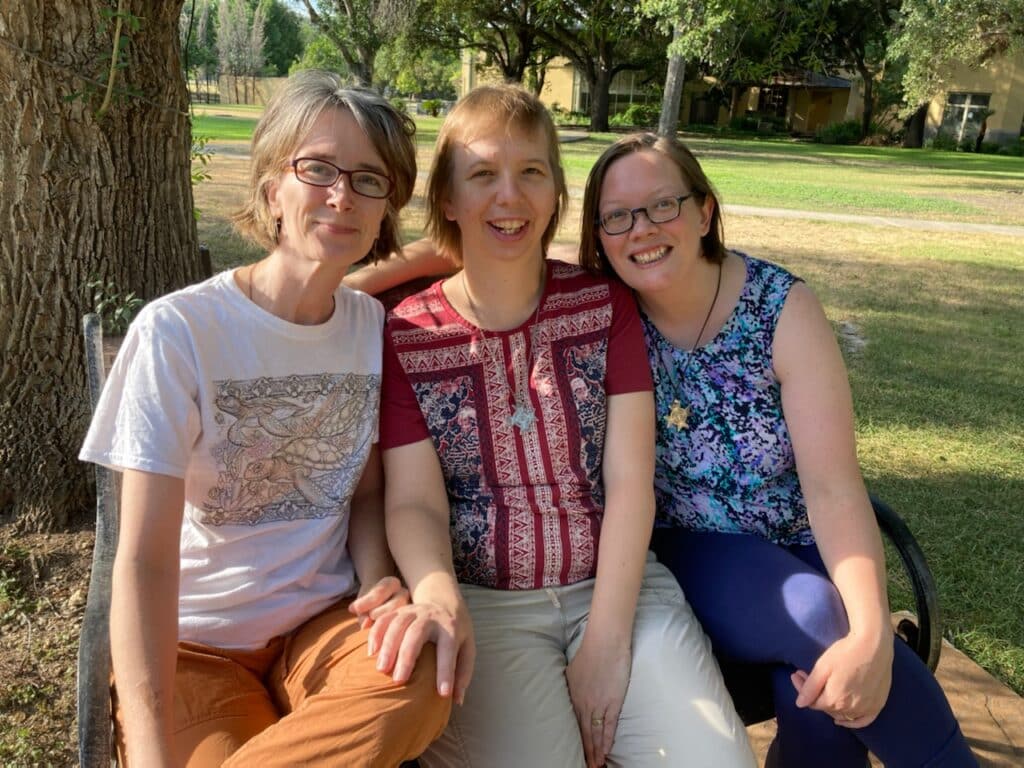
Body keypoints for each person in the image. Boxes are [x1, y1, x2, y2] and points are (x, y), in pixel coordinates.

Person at [371, 85, 754, 768]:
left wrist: (607, 640)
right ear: (448, 201)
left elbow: (632, 481)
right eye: (483, 174)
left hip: (619, 590)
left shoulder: (604, 306)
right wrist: (436, 593)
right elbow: (412, 500)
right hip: (487, 608)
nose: (509, 197)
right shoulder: (409, 334)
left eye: (531, 172)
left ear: (555, 195)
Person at [79, 70, 450, 767]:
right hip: (197, 647)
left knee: (422, 672)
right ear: (272, 187)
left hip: (325, 628)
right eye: (318, 168)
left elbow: (366, 491)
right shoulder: (179, 333)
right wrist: (152, 751)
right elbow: (144, 562)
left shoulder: (371, 327)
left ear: (384, 210)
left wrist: (377, 581)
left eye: (369, 179)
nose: (342, 195)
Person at [578, 132, 976, 767]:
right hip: (690, 548)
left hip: (801, 536)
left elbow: (834, 486)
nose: (641, 229)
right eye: (617, 216)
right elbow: (482, 251)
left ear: (704, 211)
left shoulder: (778, 307)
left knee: (820, 711)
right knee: (818, 616)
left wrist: (873, 633)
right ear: (598, 235)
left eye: (662, 205)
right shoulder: (600, 312)